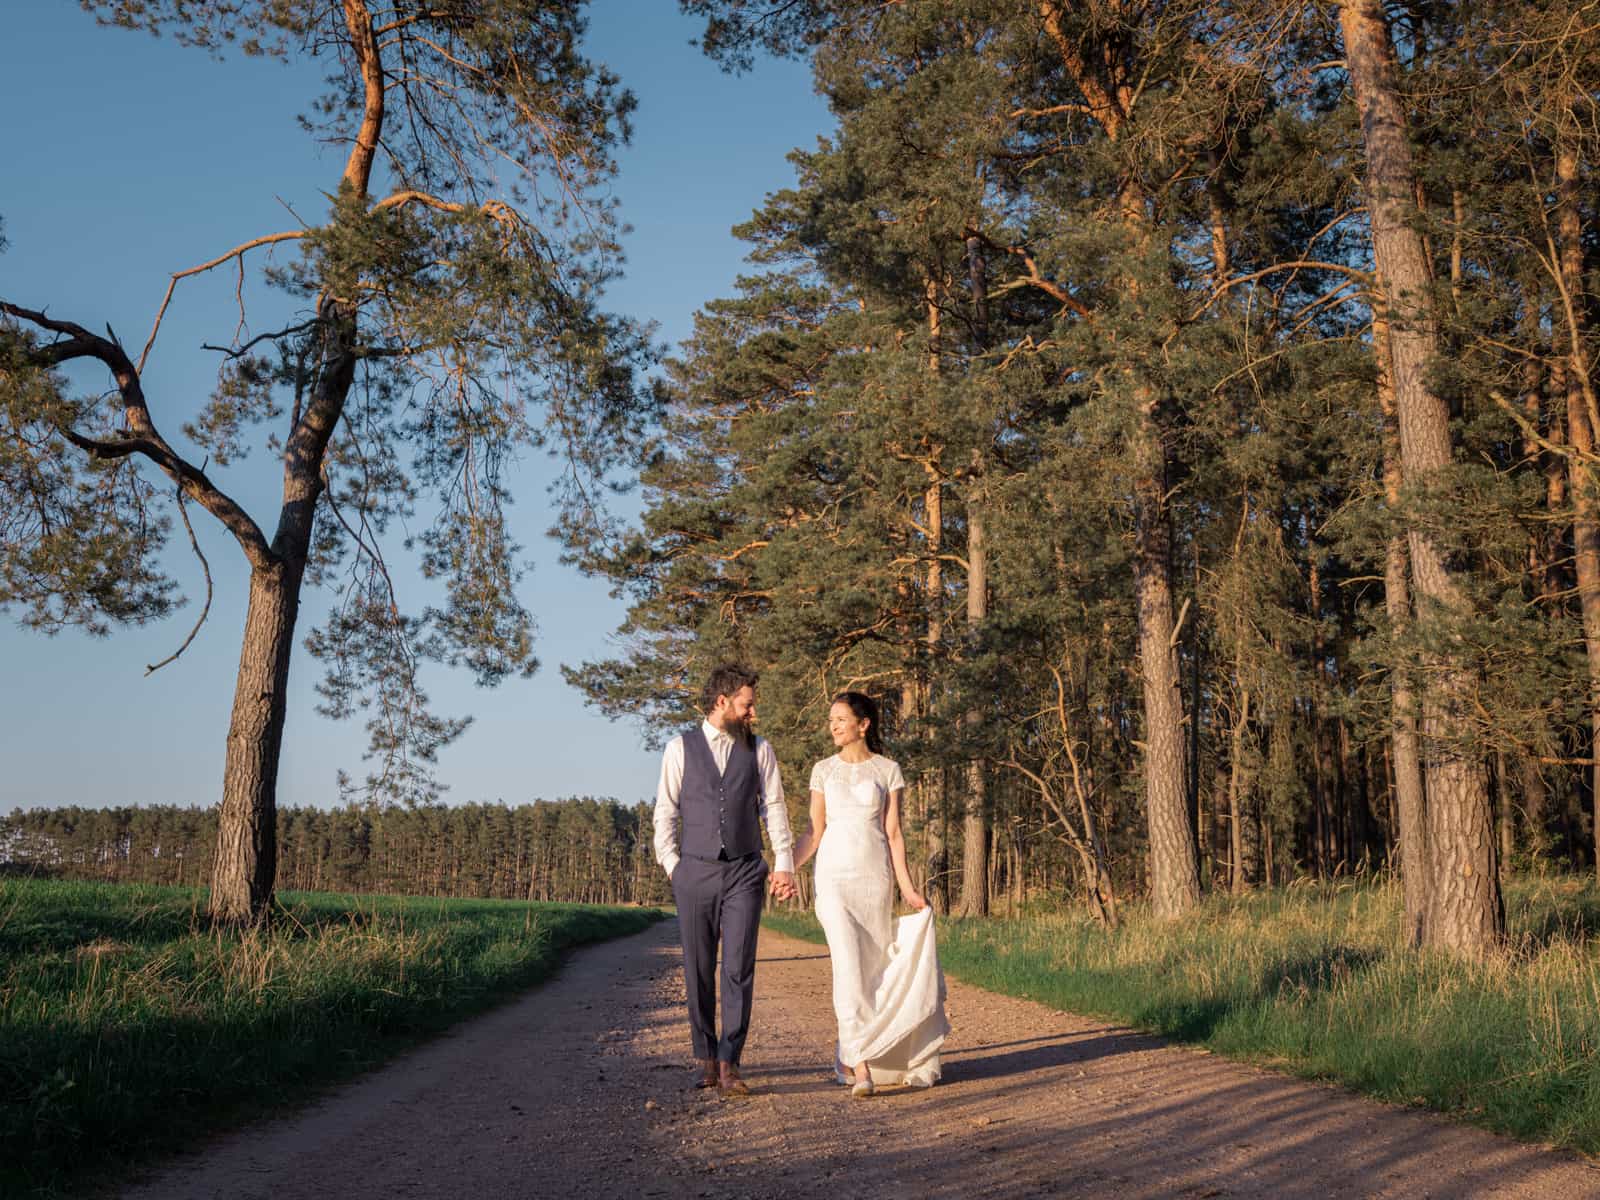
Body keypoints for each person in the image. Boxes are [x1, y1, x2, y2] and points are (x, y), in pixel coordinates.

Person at [793, 691, 949, 1098]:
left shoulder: (888, 770)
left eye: (841, 719)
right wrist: (784, 867)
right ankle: (860, 1067)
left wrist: (909, 888)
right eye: (831, 720)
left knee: (872, 971)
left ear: (864, 724)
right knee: (847, 968)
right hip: (833, 880)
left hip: (874, 878)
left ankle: (855, 1052)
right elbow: (813, 831)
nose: (833, 726)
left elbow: (894, 833)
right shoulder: (822, 770)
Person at [653, 663, 797, 1099]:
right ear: (723, 702)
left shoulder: (760, 749)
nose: (753, 712)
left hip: (744, 871)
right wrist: (672, 864)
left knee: (737, 967)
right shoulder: (679, 748)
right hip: (693, 871)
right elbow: (665, 810)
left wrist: (784, 862)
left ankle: (731, 1061)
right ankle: (705, 1058)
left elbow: (774, 806)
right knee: (698, 968)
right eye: (747, 704)